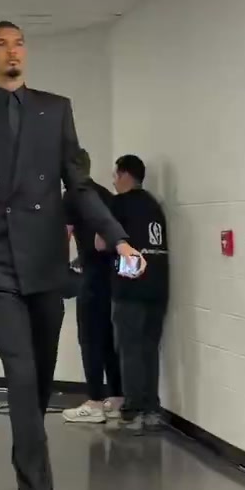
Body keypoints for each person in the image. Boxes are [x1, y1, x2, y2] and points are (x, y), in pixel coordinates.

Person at [0, 22, 143, 490]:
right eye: (1, 44)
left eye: (19, 43)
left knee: (38, 387)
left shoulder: (56, 111)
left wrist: (119, 237)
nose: (12, 51)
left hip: (45, 265)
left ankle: (25, 456)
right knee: (20, 377)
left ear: (25, 54)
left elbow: (78, 188)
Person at [108, 154, 169, 435]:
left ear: (124, 175)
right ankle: (152, 410)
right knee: (148, 349)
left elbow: (101, 242)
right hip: (157, 287)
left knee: (129, 349)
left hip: (130, 286)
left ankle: (132, 411)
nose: (113, 181)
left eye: (115, 175)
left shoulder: (119, 204)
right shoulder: (155, 205)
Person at [62, 150, 123, 425]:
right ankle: (117, 398)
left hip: (91, 278)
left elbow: (63, 236)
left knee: (88, 339)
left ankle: (95, 401)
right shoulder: (106, 195)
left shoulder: (71, 196)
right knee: (108, 338)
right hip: (111, 275)